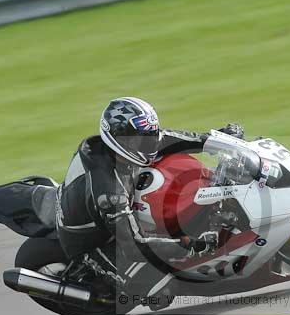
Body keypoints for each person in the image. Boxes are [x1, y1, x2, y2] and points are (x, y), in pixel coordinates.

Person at [56, 96, 243, 303]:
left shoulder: (123, 149)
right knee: (163, 289)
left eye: (149, 136)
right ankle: (99, 270)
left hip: (106, 212)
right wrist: (191, 245)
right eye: (140, 139)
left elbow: (171, 139)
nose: (149, 144)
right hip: (89, 238)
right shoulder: (109, 190)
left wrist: (217, 141)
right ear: (118, 137)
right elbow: (134, 245)